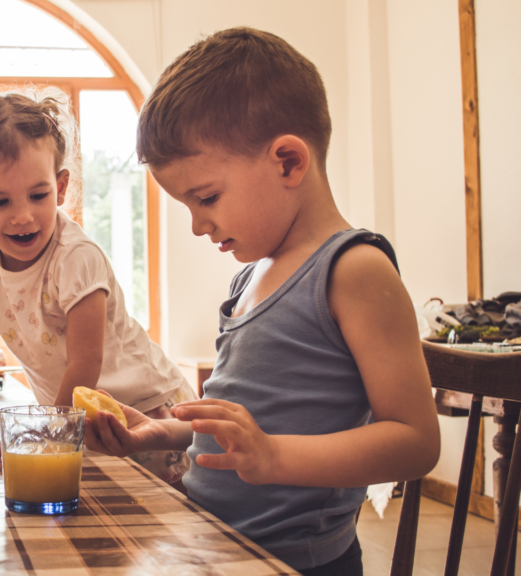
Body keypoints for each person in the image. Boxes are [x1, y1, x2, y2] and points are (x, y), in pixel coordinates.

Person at [83, 27, 440, 575]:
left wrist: (275, 458)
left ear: (289, 162)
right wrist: (162, 433)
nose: (199, 224)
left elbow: (416, 441)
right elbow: (246, 427)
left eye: (206, 198)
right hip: (214, 545)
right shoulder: (249, 277)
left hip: (297, 562)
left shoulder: (354, 270)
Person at [0, 88, 196, 483]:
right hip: (79, 423)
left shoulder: (75, 257)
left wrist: (44, 432)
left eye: (38, 195)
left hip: (148, 414)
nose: (23, 216)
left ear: (60, 187)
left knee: (168, 528)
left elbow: (84, 363)